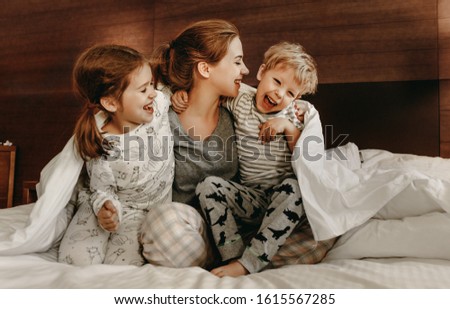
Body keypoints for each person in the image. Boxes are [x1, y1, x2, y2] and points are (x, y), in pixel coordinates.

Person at [172, 42, 318, 276]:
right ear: (261, 73)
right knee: (208, 185)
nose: (280, 93)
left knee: (295, 188)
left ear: (297, 98)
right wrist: (181, 92)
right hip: (251, 198)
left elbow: (310, 158)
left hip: (282, 197)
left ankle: (250, 263)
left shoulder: (293, 114)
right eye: (277, 81)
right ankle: (233, 256)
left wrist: (289, 128)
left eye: (290, 92)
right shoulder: (239, 100)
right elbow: (207, 91)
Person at [58, 44, 174, 266]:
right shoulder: (103, 144)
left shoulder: (158, 103)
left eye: (151, 84)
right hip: (115, 204)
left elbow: (181, 79)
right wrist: (105, 209)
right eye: (143, 90)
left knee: (122, 267)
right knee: (75, 259)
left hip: (143, 213)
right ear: (110, 103)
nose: (152, 92)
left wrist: (179, 97)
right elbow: (101, 190)